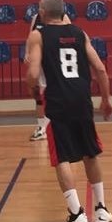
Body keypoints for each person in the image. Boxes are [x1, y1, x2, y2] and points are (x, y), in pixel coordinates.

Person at [25, 0, 112, 222]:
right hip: (82, 99)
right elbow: (101, 69)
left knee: (61, 157)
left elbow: (33, 74)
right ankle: (101, 208)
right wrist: (105, 99)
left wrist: (34, 91)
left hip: (58, 100)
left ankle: (76, 215)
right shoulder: (79, 32)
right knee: (90, 152)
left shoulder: (38, 35)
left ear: (42, 13)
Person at [26, 11, 71, 142]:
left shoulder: (63, 17)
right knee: (39, 94)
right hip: (40, 61)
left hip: (55, 61)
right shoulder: (36, 18)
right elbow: (30, 37)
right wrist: (28, 53)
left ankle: (60, 125)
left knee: (55, 94)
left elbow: (68, 37)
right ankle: (41, 127)